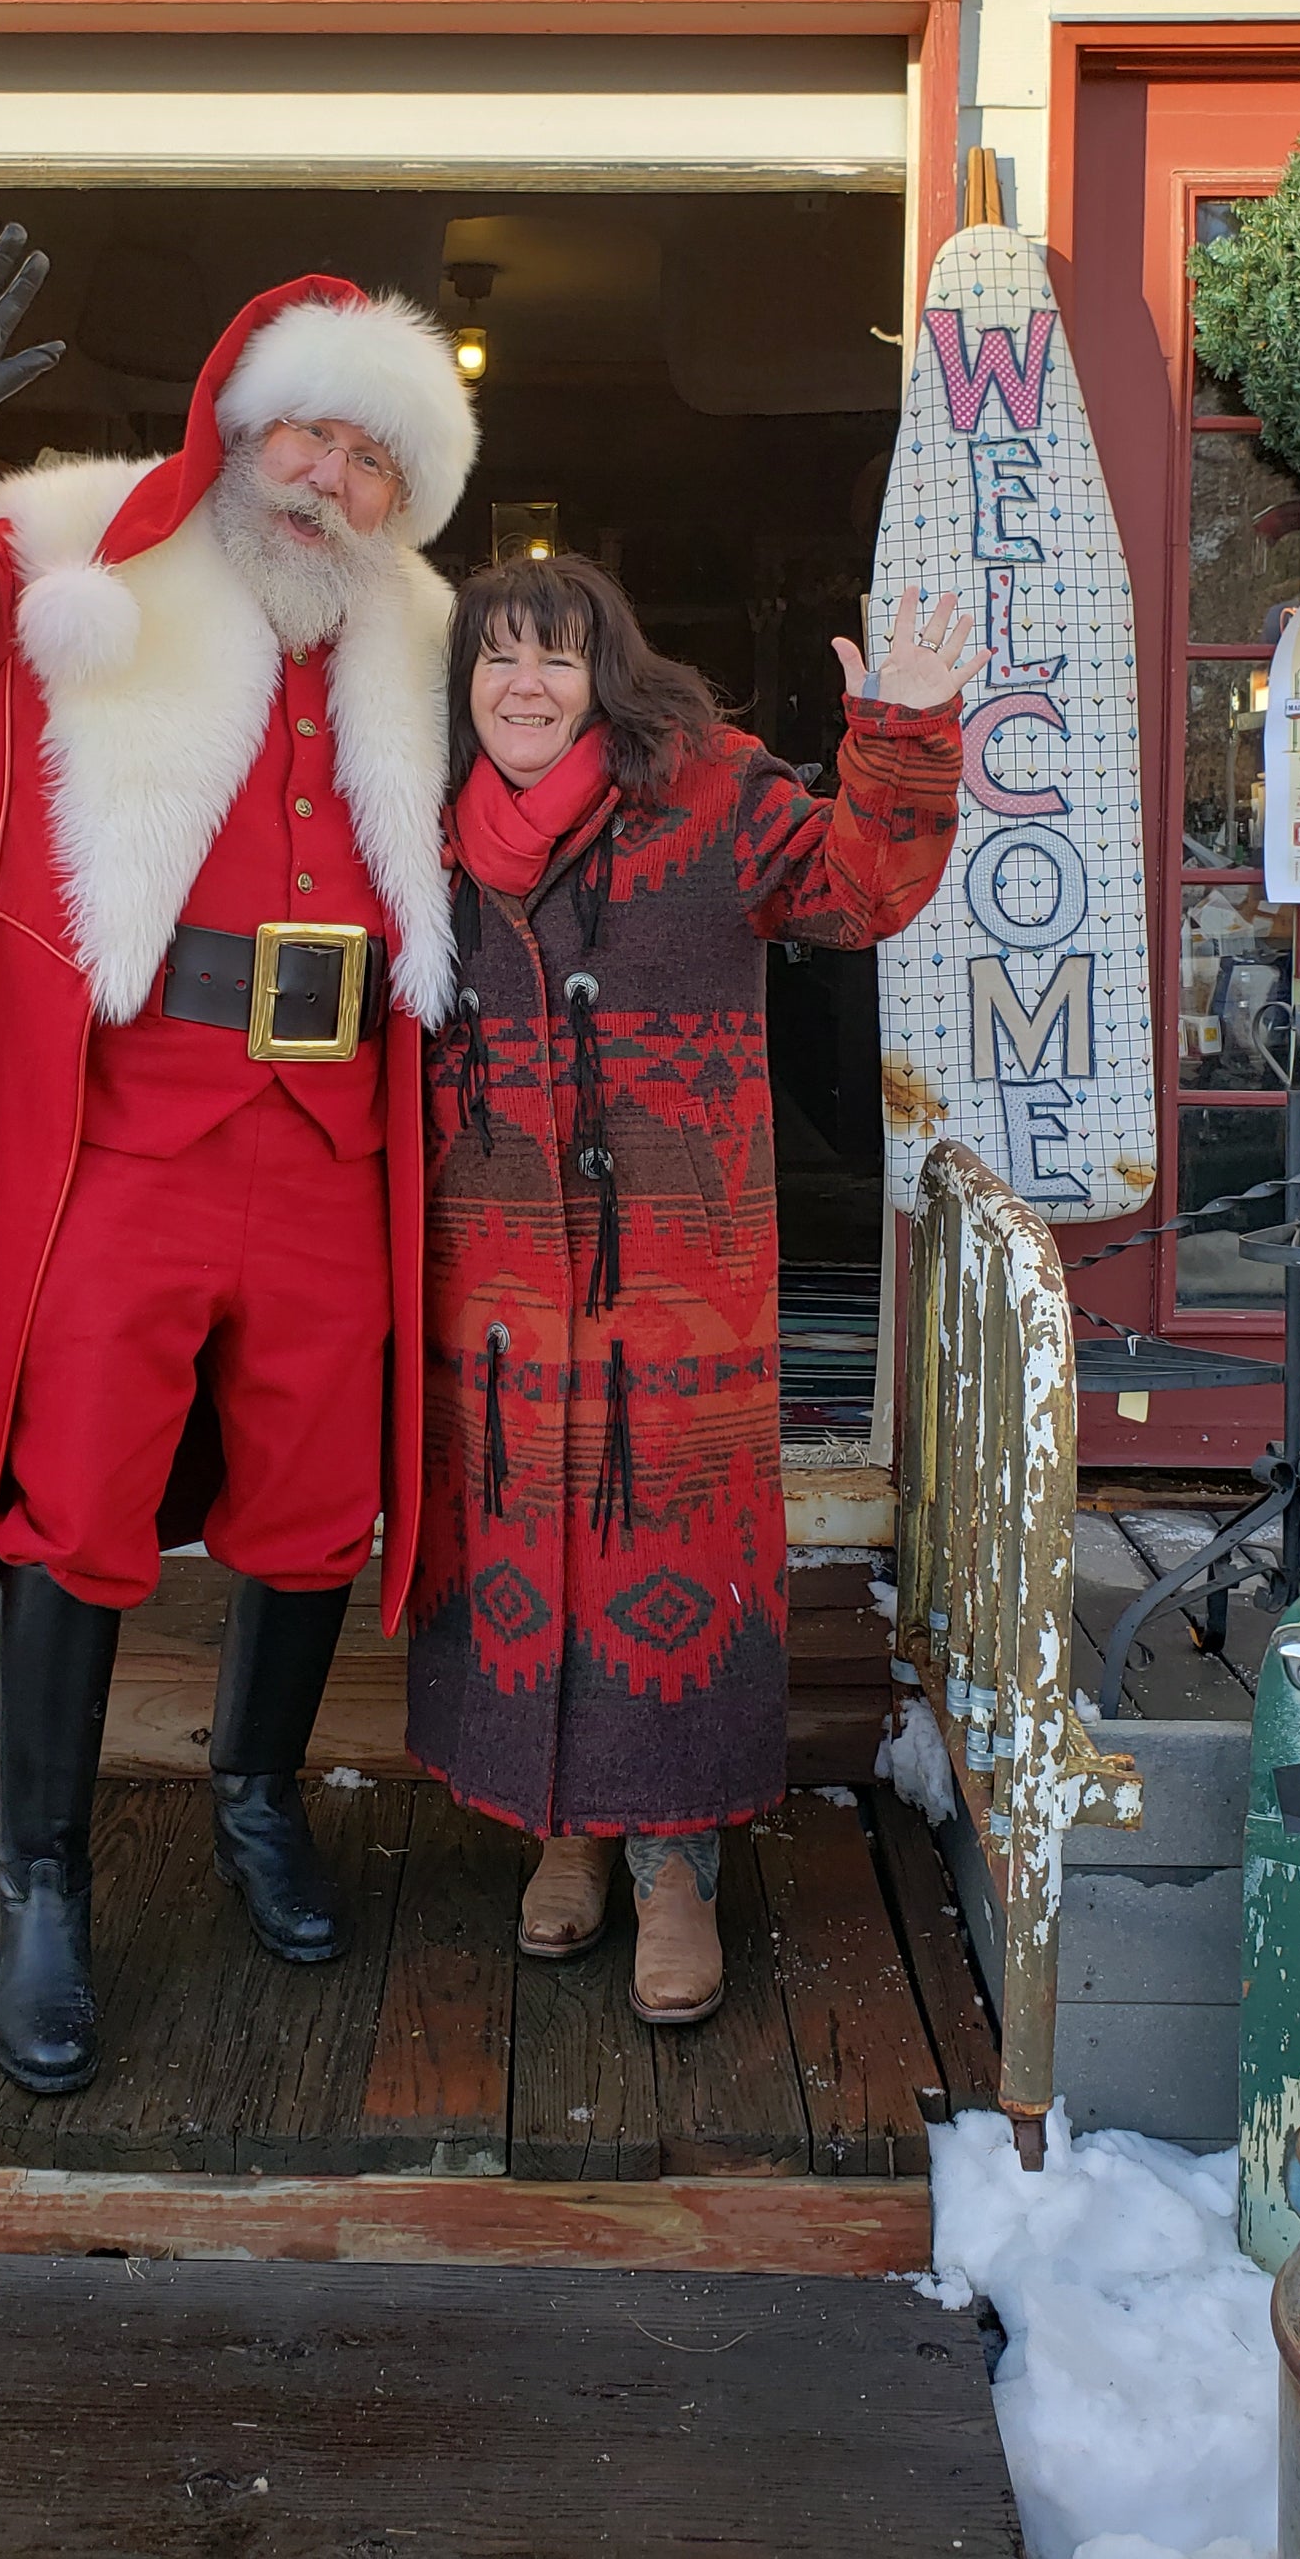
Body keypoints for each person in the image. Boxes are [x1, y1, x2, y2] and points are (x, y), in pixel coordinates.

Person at [0, 219, 475, 2092]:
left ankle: (258, 1799)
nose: (332, 478)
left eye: (374, 458)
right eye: (310, 435)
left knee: (317, 1498)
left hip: (337, 1139)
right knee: (81, 1499)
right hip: (123, 1136)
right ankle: (42, 1876)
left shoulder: (434, 644)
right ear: (242, 428)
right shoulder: (82, 559)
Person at [406, 556, 981, 2023]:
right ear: (463, 684)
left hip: (677, 1278)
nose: (525, 685)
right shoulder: (415, 826)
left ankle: (677, 1864)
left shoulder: (711, 793)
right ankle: (564, 1832)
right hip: (495, 1282)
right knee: (519, 1535)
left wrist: (902, 736)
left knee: (666, 1542)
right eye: (497, 658)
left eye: (557, 656)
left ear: (607, 674)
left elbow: (862, 889)